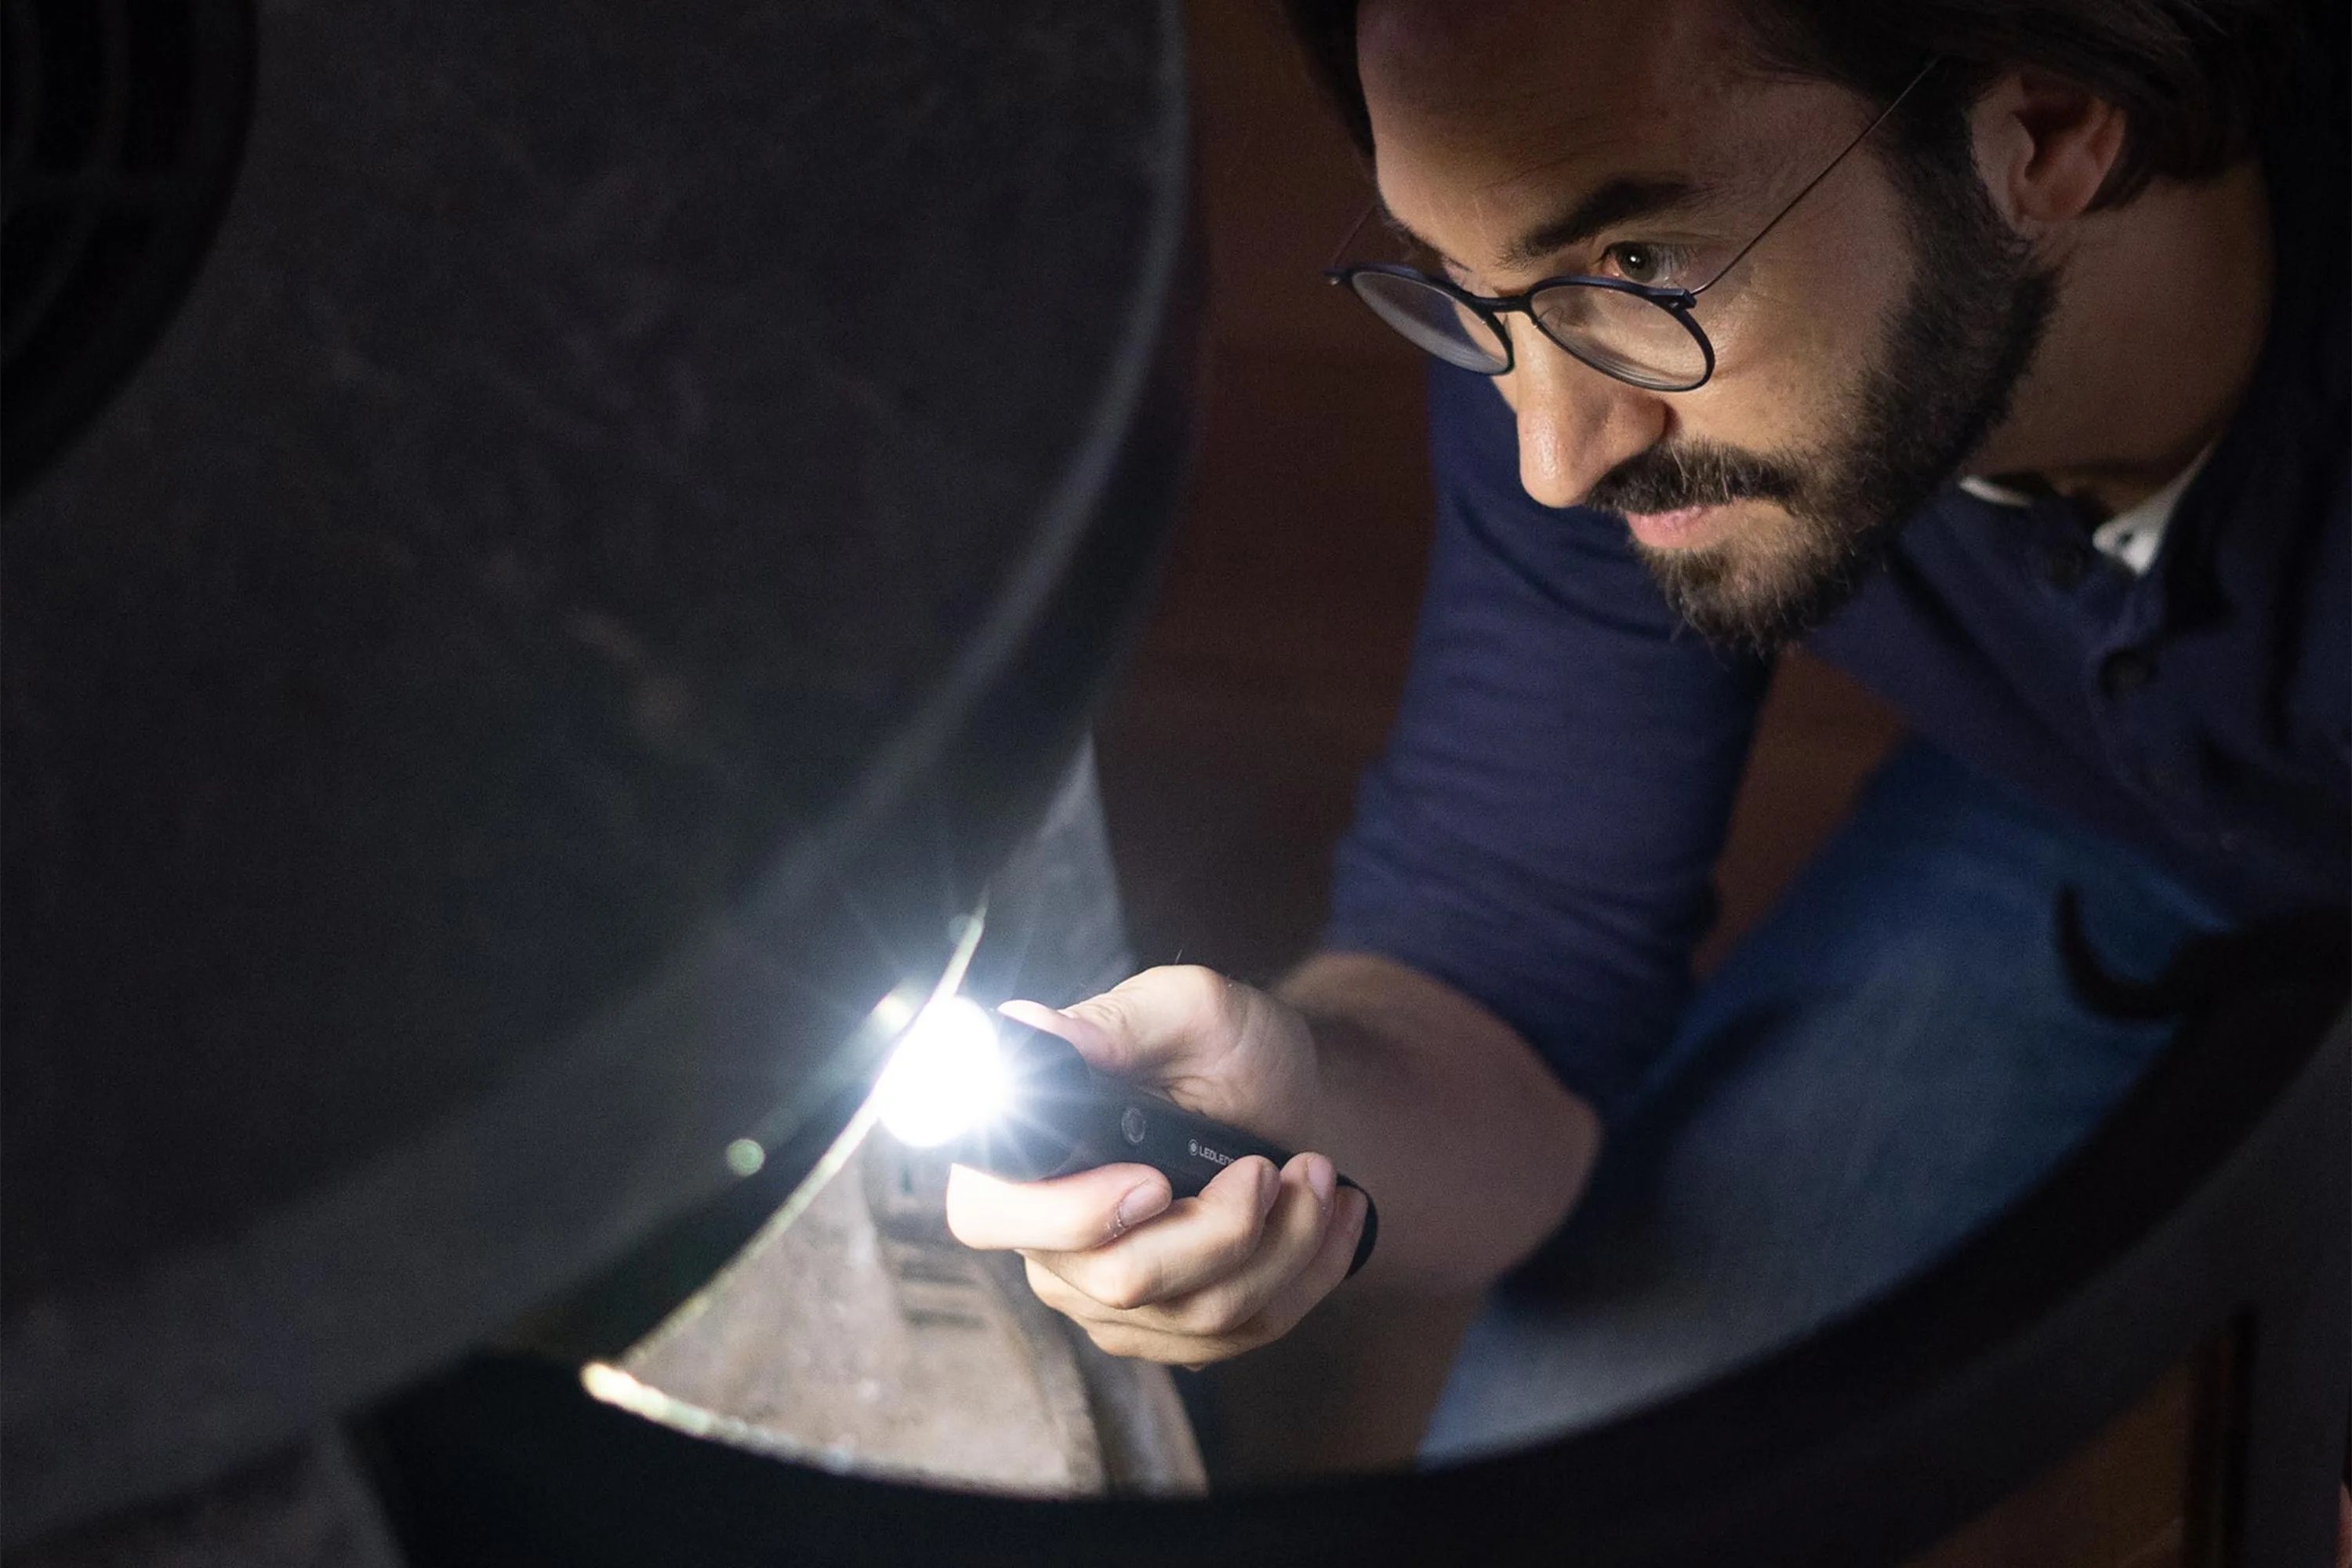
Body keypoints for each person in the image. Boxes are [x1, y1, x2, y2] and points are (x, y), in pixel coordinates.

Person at [945, 0, 2347, 1489]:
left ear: (2048, 128)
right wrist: (1288, 1105)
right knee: (1580, 1492)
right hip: (2084, 805)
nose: (1558, 457)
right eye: (1462, 281)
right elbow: (1504, 988)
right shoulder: (1572, 375)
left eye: (1644, 266)